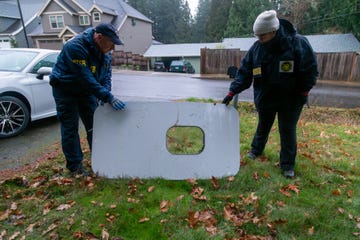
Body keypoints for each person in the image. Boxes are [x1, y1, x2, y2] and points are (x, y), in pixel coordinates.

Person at [222, 10, 318, 178]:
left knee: (287, 130)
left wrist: (304, 91)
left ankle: (287, 165)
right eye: (257, 36)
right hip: (266, 97)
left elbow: (310, 70)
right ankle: (256, 150)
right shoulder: (256, 49)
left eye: (262, 36)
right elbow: (245, 72)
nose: (259, 39)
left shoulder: (297, 43)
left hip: (291, 99)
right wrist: (232, 91)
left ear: (273, 31)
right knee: (263, 125)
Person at [50, 23, 126, 176]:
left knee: (95, 125)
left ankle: (100, 158)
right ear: (99, 37)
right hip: (66, 89)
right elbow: (85, 78)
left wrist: (106, 94)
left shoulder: (105, 53)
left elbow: (106, 76)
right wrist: (107, 96)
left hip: (86, 91)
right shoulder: (75, 47)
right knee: (70, 128)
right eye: (111, 43)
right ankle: (75, 167)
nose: (113, 48)